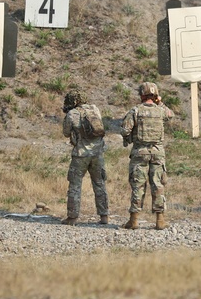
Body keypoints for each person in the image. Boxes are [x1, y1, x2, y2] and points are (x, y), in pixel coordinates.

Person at [120, 82, 175, 230]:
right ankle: (160, 221)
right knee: (158, 185)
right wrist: (160, 102)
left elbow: (125, 130)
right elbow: (170, 115)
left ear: (141, 95)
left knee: (138, 186)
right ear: (155, 95)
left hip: (140, 153)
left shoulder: (135, 111)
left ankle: (134, 220)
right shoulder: (161, 111)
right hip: (157, 153)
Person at [61, 89, 109, 226]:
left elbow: (65, 133)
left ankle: (72, 217)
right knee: (100, 184)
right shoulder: (95, 109)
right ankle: (104, 216)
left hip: (81, 155)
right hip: (98, 153)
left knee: (75, 186)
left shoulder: (72, 113)